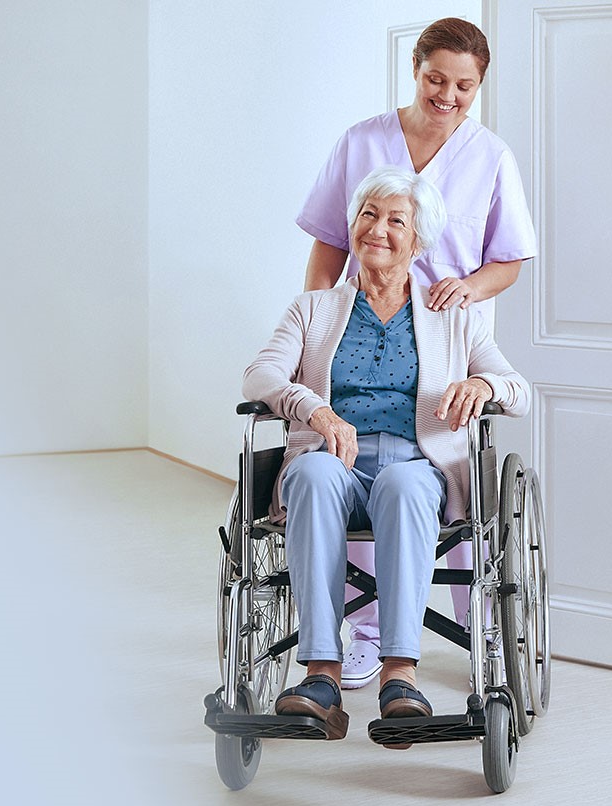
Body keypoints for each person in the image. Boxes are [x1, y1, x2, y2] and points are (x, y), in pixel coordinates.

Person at [243, 166, 528, 739]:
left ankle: (400, 673)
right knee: (313, 474)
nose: (377, 229)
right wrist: (313, 409)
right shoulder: (313, 309)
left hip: (414, 464)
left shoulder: (453, 316)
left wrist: (483, 385)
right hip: (333, 459)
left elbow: (519, 390)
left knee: (402, 482)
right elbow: (259, 375)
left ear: (419, 240)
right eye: (367, 215)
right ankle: (321, 675)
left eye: (396, 220)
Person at [296, 17, 537, 689]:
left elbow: (509, 259)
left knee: (437, 475)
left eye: (465, 86)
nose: (449, 96)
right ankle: (368, 633)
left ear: (478, 86)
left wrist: (470, 285)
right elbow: (326, 249)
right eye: (437, 80)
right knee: (358, 460)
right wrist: (315, 328)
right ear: (415, 69)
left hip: (448, 344)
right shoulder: (363, 141)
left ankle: (480, 624)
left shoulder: (490, 156)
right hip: (363, 329)